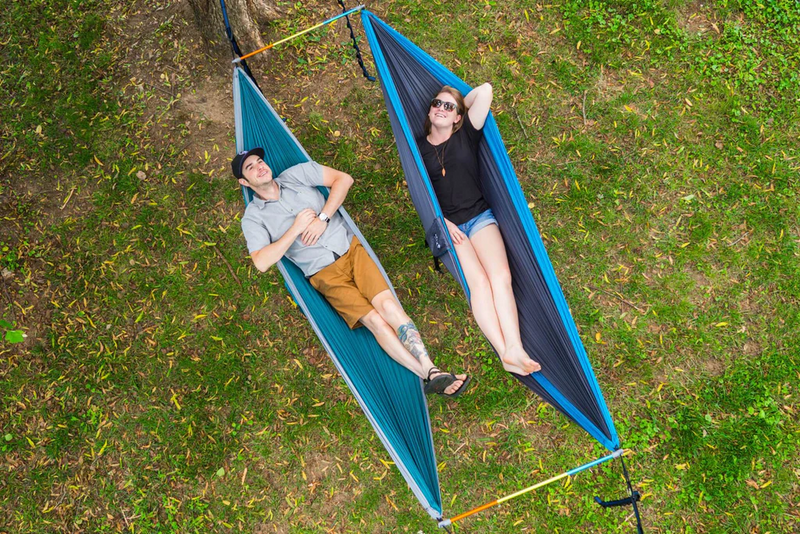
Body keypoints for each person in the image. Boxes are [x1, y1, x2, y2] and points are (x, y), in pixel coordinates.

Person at [233, 147, 471, 397]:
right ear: (244, 182)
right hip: (324, 274)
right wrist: (296, 228)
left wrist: (322, 218)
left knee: (389, 307)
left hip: (351, 250)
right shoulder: (253, 218)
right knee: (375, 321)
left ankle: (431, 371)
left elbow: (343, 179)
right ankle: (430, 374)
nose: (260, 166)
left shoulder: (296, 175)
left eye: (260, 160)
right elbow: (261, 262)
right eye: (250, 167)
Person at [417, 84, 541, 376]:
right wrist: (444, 223)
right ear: (429, 109)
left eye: (449, 107)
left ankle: (515, 346)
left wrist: (459, 103)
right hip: (449, 225)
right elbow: (423, 195)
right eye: (437, 103)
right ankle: (504, 352)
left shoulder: (466, 135)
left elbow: (485, 91)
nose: (441, 109)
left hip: (479, 217)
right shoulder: (418, 149)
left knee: (500, 276)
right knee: (480, 285)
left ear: (459, 116)